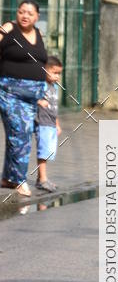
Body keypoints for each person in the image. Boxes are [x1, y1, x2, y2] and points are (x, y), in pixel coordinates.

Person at [0, 0, 59, 198]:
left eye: (30, 13)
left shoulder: (39, 34)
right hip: (10, 93)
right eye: (21, 11)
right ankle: (19, 180)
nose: (25, 16)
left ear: (37, 17)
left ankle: (8, 178)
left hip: (32, 97)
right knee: (21, 134)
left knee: (17, 135)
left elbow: (41, 62)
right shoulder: (9, 28)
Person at [34, 55, 63, 192]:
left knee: (48, 151)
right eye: (54, 72)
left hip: (51, 124)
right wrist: (39, 101)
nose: (57, 76)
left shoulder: (54, 87)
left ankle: (40, 179)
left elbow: (54, 108)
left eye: (59, 73)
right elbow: (31, 96)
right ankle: (43, 180)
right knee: (44, 152)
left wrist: (57, 124)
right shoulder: (41, 85)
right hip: (42, 123)